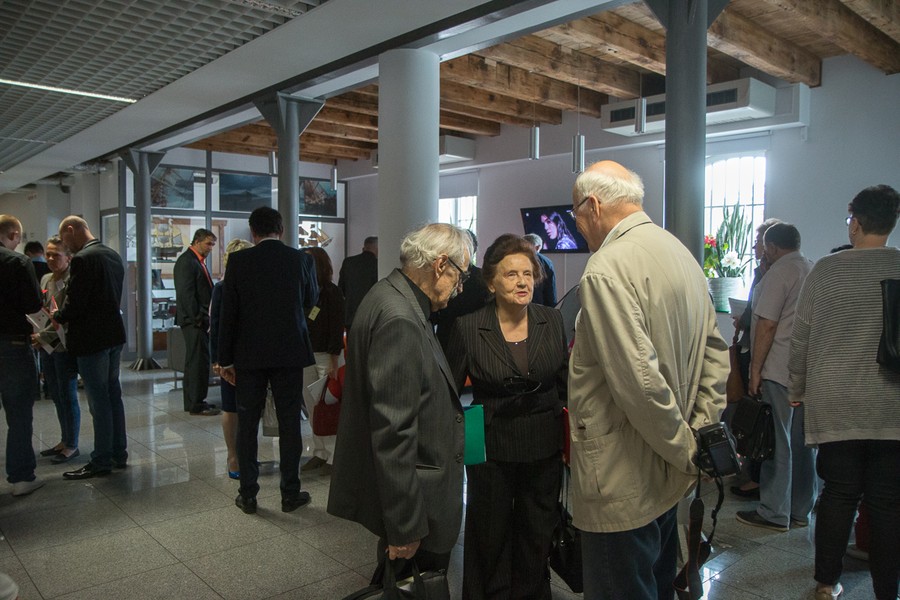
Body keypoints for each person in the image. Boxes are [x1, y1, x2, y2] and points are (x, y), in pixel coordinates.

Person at [567, 162, 728, 599]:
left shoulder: (606, 267)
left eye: (576, 214)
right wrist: (701, 431)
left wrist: (686, 449)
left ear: (593, 205)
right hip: (667, 474)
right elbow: (716, 353)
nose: (578, 226)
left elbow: (639, 383)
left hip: (622, 477)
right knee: (657, 584)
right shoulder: (680, 252)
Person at [328, 223, 471, 583]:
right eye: (461, 275)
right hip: (418, 500)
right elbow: (393, 431)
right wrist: (405, 525)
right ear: (441, 265)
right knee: (412, 584)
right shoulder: (400, 318)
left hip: (411, 492)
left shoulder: (389, 294)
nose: (460, 287)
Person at [789, 185, 900, 600]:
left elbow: (801, 337)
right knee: (887, 502)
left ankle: (825, 583)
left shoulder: (825, 270)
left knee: (838, 495)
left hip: (835, 402)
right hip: (891, 405)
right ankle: (888, 590)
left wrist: (797, 388)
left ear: (855, 222)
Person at [445, 233, 567, 600]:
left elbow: (565, 384)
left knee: (537, 533)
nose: (522, 282)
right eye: (511, 274)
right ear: (491, 282)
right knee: (489, 534)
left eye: (528, 274)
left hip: (543, 447)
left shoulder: (551, 320)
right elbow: (449, 393)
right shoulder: (469, 327)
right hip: (490, 449)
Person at [218, 207, 319, 514]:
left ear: (253, 232)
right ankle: (290, 493)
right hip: (289, 351)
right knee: (290, 422)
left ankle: (248, 494)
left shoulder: (239, 261)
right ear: (281, 230)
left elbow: (228, 313)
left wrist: (225, 360)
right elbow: (311, 300)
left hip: (249, 354)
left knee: (248, 423)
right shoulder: (301, 259)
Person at [736, 223, 816, 532]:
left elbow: (767, 324)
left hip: (779, 368)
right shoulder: (811, 268)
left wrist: (755, 371)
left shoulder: (779, 273)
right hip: (805, 369)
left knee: (776, 442)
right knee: (803, 444)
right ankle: (800, 510)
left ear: (772, 247)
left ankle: (774, 512)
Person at [55, 216, 128, 480]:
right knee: (113, 396)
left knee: (99, 401)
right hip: (113, 335)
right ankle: (119, 453)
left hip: (91, 340)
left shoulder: (83, 259)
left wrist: (58, 316)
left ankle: (101, 460)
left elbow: (76, 303)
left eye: (63, 239)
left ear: (71, 230)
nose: (65, 245)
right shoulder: (112, 255)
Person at [729, 218, 782, 499]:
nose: (754, 247)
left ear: (771, 245)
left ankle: (758, 478)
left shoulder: (773, 274)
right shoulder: (762, 271)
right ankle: (751, 472)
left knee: (758, 418)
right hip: (753, 350)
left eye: (758, 242)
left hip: (762, 356)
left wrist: (745, 319)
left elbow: (764, 318)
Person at [0, 215, 44, 496]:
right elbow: (32, 303)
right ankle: (21, 478)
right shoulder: (17, 262)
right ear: (14, 234)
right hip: (12, 344)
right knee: (18, 413)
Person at [32, 237, 80, 463]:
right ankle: (64, 439)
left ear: (68, 258)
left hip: (63, 345)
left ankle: (72, 444)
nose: (50, 259)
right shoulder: (46, 278)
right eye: (48, 254)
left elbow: (65, 315)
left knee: (67, 395)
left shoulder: (72, 280)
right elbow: (45, 310)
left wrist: (42, 336)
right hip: (47, 346)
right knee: (57, 395)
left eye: (56, 255)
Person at [209, 238, 253, 479]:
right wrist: (217, 360)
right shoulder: (222, 288)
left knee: (250, 407)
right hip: (230, 357)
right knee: (231, 407)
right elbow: (216, 326)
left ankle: (246, 452)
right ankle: (232, 455)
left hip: (253, 356)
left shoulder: (256, 285)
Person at [300, 246, 345, 476]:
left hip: (327, 357)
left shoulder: (331, 292)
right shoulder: (302, 291)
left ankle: (335, 455)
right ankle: (319, 452)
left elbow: (337, 327)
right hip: (305, 355)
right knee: (312, 408)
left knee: (329, 407)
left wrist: (334, 361)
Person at [174, 228, 219, 416]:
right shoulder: (188, 262)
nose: (210, 248)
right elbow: (187, 294)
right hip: (194, 321)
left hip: (196, 320)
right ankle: (197, 403)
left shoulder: (196, 262)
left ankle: (193, 401)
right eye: (208, 244)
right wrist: (199, 318)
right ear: (197, 241)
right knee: (198, 362)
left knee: (195, 361)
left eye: (213, 245)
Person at [434, 230, 490, 349]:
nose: (459, 288)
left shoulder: (483, 278)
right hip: (452, 335)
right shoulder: (483, 277)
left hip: (464, 336)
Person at [338, 236, 378, 330]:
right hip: (370, 316)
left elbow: (341, 289)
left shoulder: (348, 262)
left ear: (364, 248)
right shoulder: (377, 264)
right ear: (377, 248)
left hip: (350, 316)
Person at [524, 232, 557, 307]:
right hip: (538, 307)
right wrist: (551, 309)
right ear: (538, 247)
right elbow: (550, 291)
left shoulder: (513, 260)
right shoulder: (547, 262)